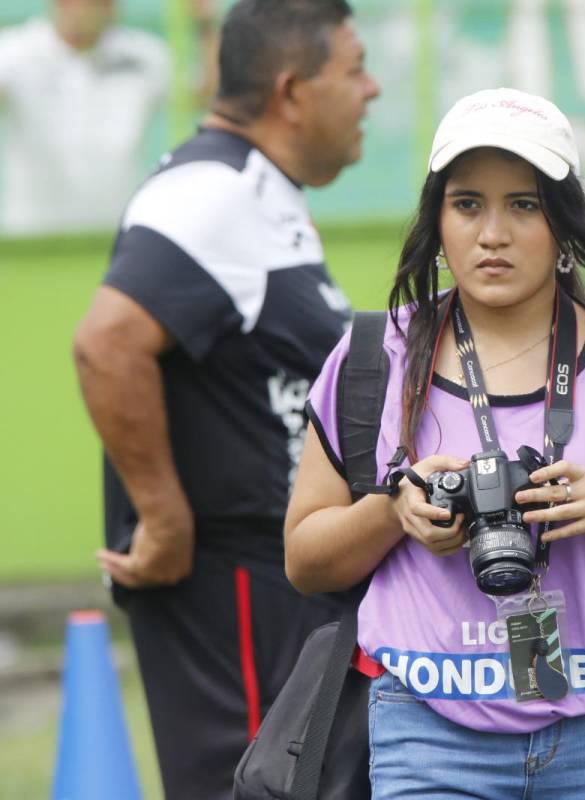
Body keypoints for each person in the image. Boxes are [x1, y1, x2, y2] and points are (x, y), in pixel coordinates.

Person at [285, 87, 585, 799]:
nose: (492, 233)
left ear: (564, 228)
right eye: (467, 204)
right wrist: (393, 513)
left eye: (524, 206)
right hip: (427, 738)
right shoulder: (373, 363)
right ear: (438, 221)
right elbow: (305, 560)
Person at [71, 1, 379, 797]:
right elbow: (106, 344)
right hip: (228, 589)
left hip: (280, 586)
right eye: (354, 69)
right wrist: (164, 518)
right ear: (292, 92)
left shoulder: (262, 194)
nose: (373, 91)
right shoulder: (209, 193)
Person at [0, 0, 217, 234]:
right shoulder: (14, 52)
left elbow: (207, 98)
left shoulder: (144, 54)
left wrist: (205, 26)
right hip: (32, 237)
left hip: (119, 231)